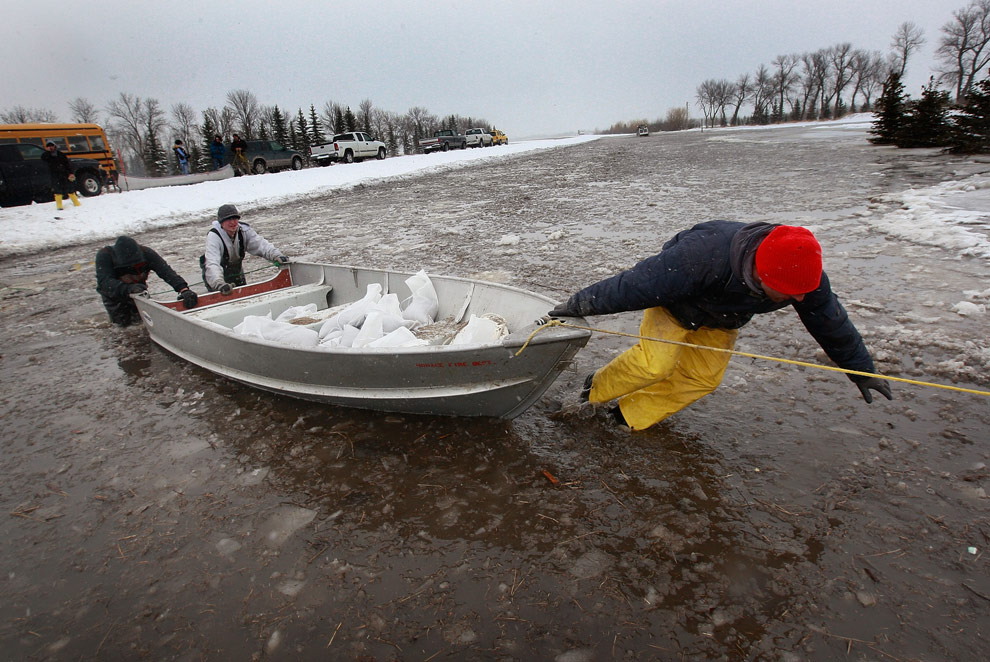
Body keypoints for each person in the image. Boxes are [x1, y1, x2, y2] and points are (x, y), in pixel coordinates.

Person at [548, 221, 893, 431]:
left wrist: (861, 370)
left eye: (804, 294)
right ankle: (590, 391)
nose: (801, 301)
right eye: (789, 296)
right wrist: (578, 304)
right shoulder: (700, 256)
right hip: (676, 308)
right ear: (762, 274)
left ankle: (625, 416)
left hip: (722, 319)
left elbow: (830, 321)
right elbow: (634, 286)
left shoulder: (804, 275)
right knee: (656, 364)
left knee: (703, 379)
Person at [95, 236, 198, 327]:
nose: (136, 270)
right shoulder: (105, 256)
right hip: (114, 296)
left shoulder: (147, 253)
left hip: (139, 292)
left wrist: (184, 289)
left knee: (144, 323)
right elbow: (105, 282)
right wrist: (129, 289)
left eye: (138, 266)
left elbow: (166, 271)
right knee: (123, 327)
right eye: (131, 267)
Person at [201, 204, 290, 295]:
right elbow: (212, 263)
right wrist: (219, 284)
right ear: (221, 222)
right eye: (229, 219)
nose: (233, 222)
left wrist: (276, 255)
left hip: (236, 272)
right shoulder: (214, 236)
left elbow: (261, 245)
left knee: (241, 295)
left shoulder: (244, 230)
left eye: (235, 218)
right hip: (215, 278)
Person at [40, 141, 80, 210]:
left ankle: (76, 203)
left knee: (69, 188)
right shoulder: (47, 155)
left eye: (51, 146)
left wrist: (70, 173)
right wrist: (48, 152)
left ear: (55, 146)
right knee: (57, 190)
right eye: (48, 146)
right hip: (55, 175)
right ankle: (59, 206)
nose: (50, 147)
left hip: (64, 174)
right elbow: (43, 158)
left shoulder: (61, 154)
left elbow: (67, 164)